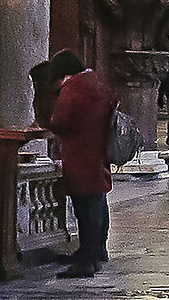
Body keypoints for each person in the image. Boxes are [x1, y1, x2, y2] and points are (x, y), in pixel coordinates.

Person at [43, 48, 115, 279]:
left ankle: (87, 261)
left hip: (80, 154)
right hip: (97, 153)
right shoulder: (96, 83)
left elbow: (60, 121)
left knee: (85, 209)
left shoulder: (73, 88)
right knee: (97, 203)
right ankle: (95, 251)